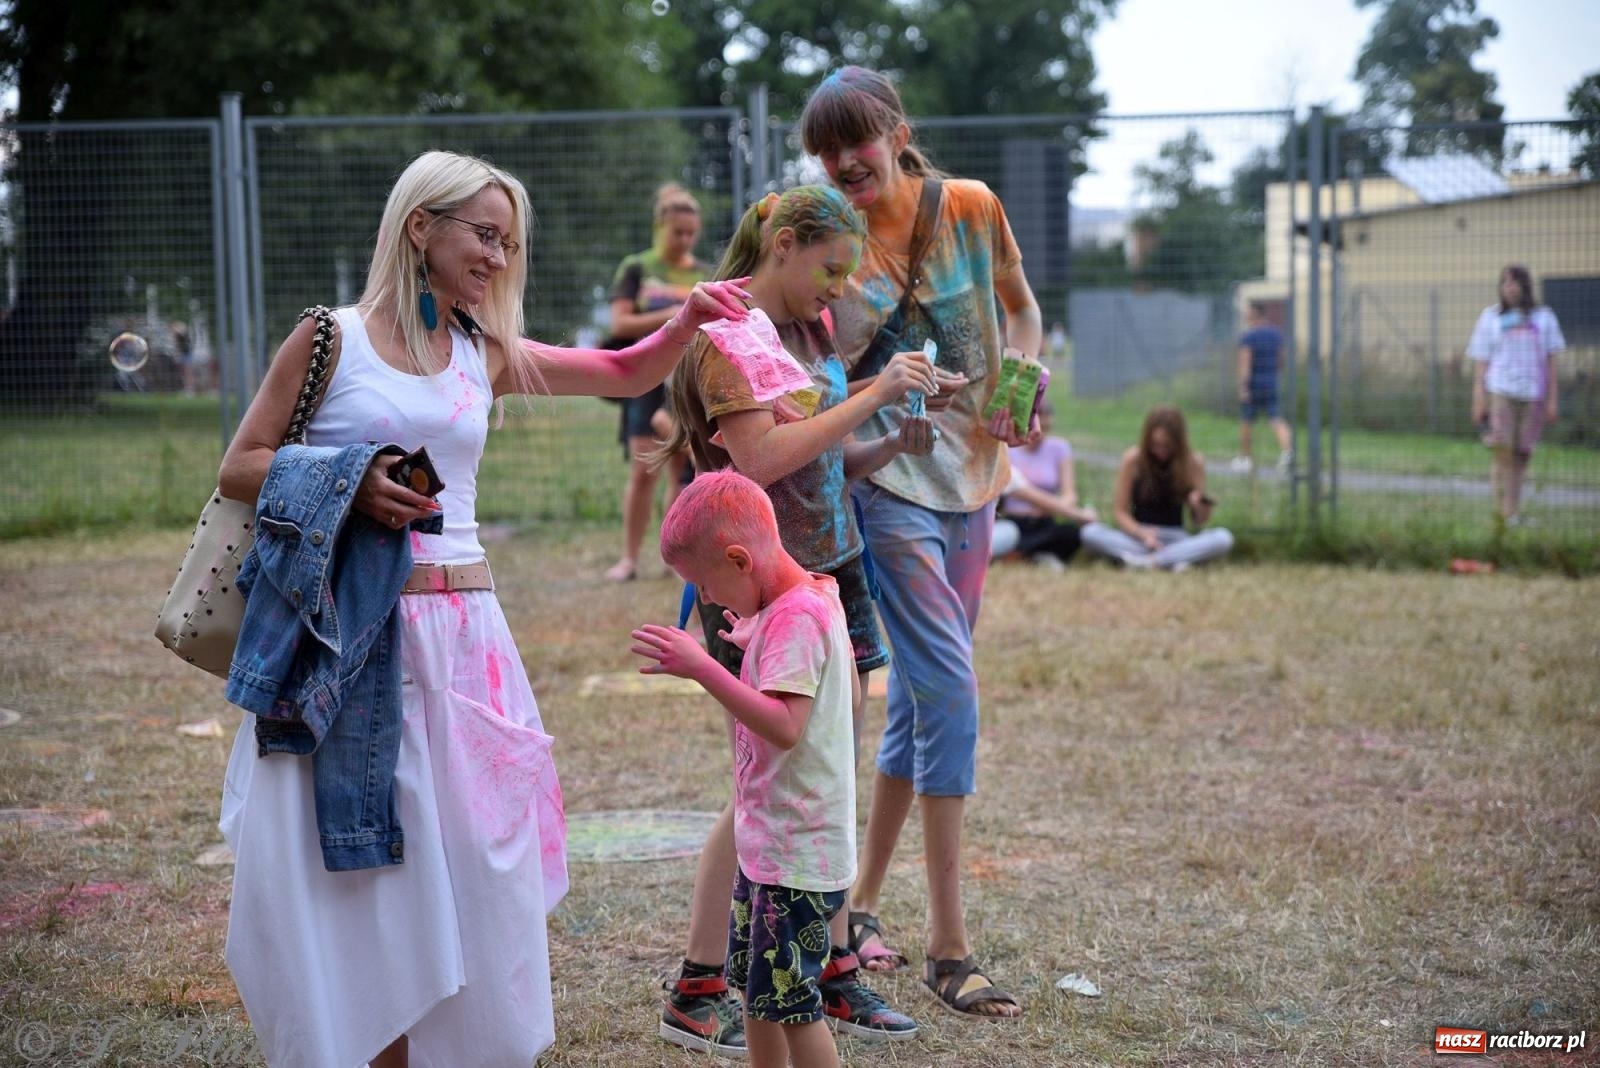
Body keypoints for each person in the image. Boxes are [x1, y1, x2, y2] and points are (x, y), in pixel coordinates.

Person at [214, 150, 751, 1068]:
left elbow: (621, 370)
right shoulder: (327, 339)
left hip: (467, 642)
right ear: (421, 226)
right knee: (371, 878)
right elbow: (241, 465)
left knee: (477, 870)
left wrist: (689, 319)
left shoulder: (479, 348)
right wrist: (352, 483)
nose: (499, 258)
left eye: (509, 241)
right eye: (485, 234)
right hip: (355, 641)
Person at [654, 184, 934, 1055]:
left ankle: (827, 966)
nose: (839, 291)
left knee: (819, 769)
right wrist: (878, 387)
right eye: (830, 268)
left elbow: (821, 463)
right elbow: (765, 456)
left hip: (825, 573)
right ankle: (703, 985)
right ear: (783, 243)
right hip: (757, 589)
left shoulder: (809, 335)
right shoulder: (728, 337)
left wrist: (889, 438)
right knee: (767, 782)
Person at [799, 65, 1045, 1021]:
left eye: (854, 142)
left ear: (896, 132)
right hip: (890, 481)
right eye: (825, 150)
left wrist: (1025, 360)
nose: (841, 162)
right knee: (948, 687)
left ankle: (859, 906)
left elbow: (1019, 304)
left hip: (978, 479)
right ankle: (950, 945)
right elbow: (807, 355)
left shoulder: (973, 209)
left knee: (921, 702)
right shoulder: (832, 236)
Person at [632, 470, 864, 1068]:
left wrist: (705, 667)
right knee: (762, 997)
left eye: (703, 585)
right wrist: (754, 637)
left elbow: (785, 727)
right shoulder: (807, 597)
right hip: (773, 849)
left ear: (738, 559)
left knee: (794, 1006)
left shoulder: (795, 620)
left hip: (796, 858)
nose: (704, 600)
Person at [604, 183, 712, 581]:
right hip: (644, 379)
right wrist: (675, 314)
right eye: (677, 232)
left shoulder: (702, 273)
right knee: (643, 470)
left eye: (691, 233)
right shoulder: (637, 267)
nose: (684, 239)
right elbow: (620, 323)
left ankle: (676, 560)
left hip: (687, 380)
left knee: (682, 473)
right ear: (660, 227)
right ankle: (629, 559)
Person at [1467, 265, 1564, 526]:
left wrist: (1552, 400)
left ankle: (1514, 513)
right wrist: (1479, 399)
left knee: (1522, 454)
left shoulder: (1545, 317)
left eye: (1514, 282)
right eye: (1504, 282)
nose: (1509, 287)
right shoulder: (1490, 318)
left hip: (1533, 395)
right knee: (1502, 453)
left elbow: (1552, 362)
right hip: (1500, 392)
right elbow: (1481, 362)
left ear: (1525, 286)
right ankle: (1501, 514)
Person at [1081, 406, 1234, 571]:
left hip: (1176, 537)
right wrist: (1142, 533)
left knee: (1223, 538)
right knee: (1090, 533)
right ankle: (1174, 560)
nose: (1161, 451)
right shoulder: (1133, 460)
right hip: (1138, 536)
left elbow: (1201, 520)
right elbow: (1120, 513)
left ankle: (1150, 561)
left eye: (1167, 446)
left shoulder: (1193, 463)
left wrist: (1199, 505)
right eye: (1155, 445)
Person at [995, 398, 1098, 571]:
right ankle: (1022, 553)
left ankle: (1027, 555)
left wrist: (1058, 508)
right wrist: (1077, 514)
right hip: (1016, 521)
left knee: (1070, 533)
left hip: (1045, 520)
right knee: (1008, 533)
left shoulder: (1059, 448)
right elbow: (1027, 494)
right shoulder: (1008, 450)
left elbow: (1069, 494)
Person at [1230, 302, 1292, 474]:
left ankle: (1245, 458)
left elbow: (1245, 362)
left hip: (1254, 385)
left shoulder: (1249, 337)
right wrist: (1275, 375)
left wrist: (1243, 386)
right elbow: (1281, 359)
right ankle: (1288, 453)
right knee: (1276, 418)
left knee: (1247, 421)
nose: (1245, 316)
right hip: (1271, 382)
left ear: (1255, 314)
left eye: (1247, 313)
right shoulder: (1276, 334)